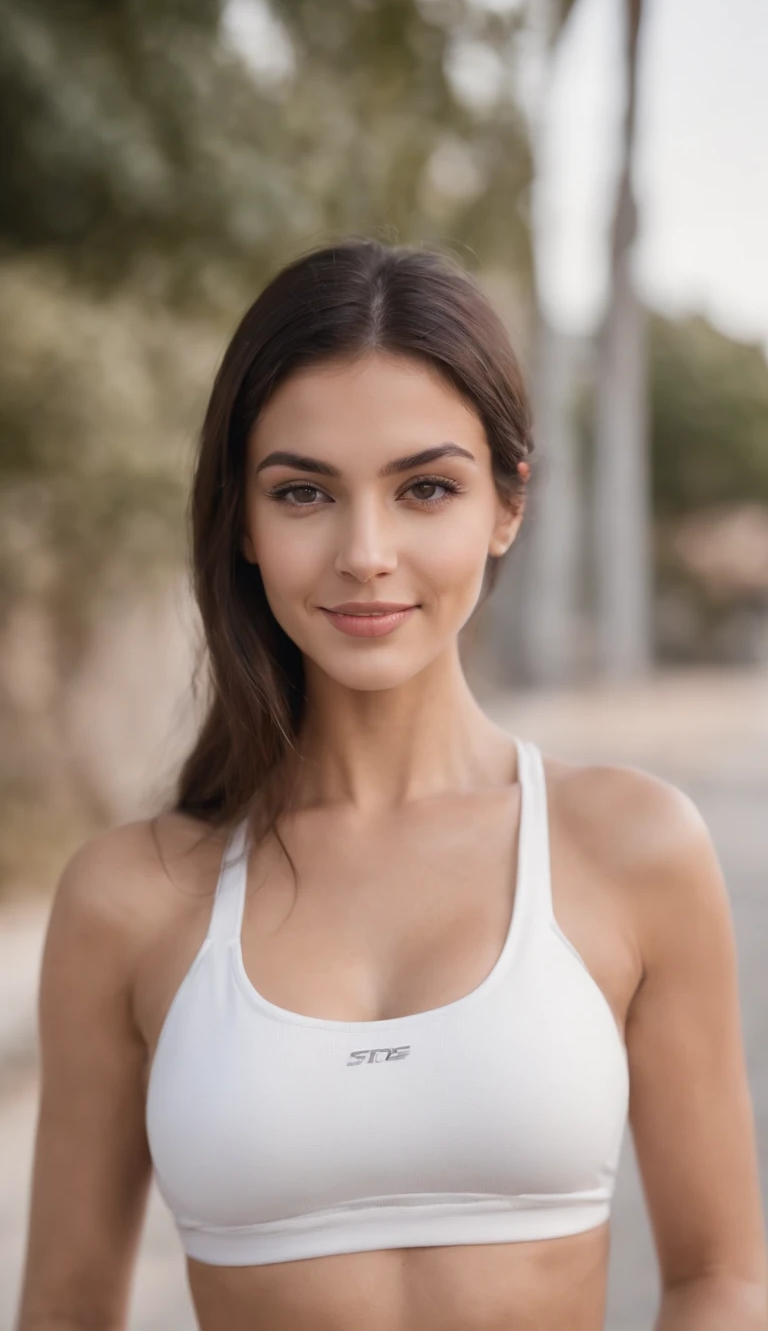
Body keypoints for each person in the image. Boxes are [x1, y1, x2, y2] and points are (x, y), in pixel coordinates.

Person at [16, 239, 767, 1331]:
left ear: (508, 503)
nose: (366, 552)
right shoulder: (130, 900)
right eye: (305, 491)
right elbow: (66, 1313)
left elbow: (722, 1280)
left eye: (425, 488)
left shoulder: (633, 848)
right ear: (242, 520)